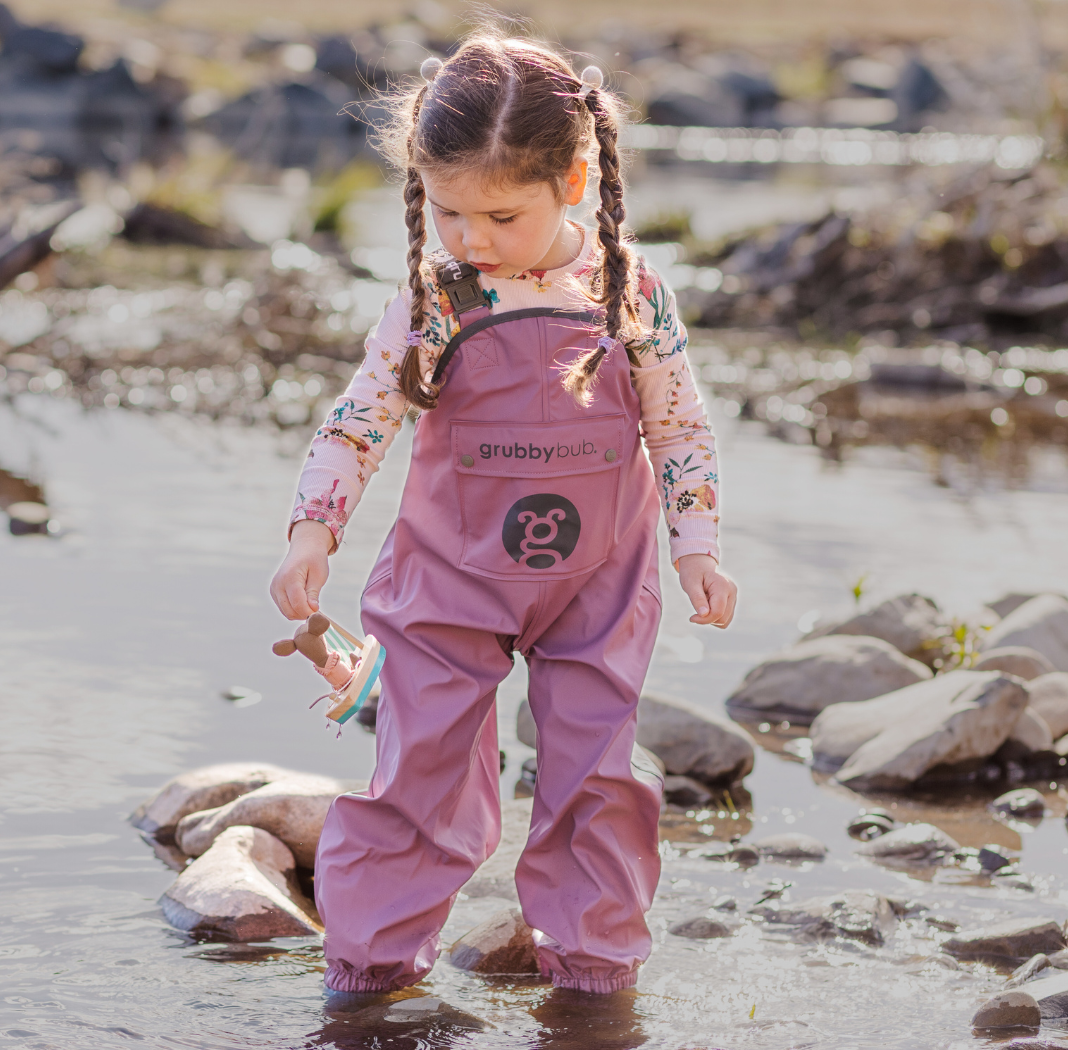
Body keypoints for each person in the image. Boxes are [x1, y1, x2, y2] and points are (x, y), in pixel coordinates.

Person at [269, 32, 737, 997]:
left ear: (572, 179)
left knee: (595, 783)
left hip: (597, 589)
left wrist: (697, 550)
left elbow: (681, 429)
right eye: (446, 211)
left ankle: (595, 979)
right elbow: (360, 421)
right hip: (446, 584)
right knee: (419, 781)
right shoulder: (436, 299)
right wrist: (312, 534)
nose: (471, 238)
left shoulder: (631, 290)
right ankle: (369, 980)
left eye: (499, 215)